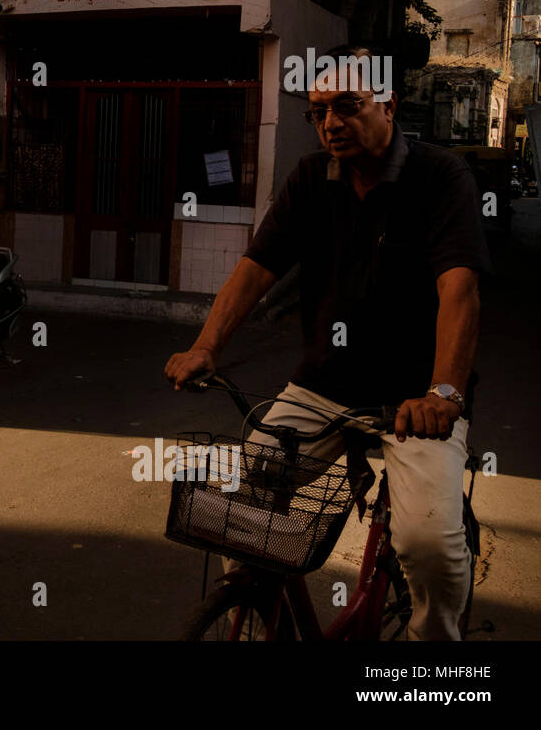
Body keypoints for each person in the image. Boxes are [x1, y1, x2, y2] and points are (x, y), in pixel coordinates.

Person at [164, 46, 490, 640]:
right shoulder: (312, 178)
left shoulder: (440, 176)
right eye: (318, 112)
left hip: (415, 404)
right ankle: (265, 620)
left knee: (430, 548)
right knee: (245, 515)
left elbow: (459, 289)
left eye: (348, 106)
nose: (332, 123)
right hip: (320, 389)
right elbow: (256, 269)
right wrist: (206, 345)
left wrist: (444, 391)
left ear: (387, 104)